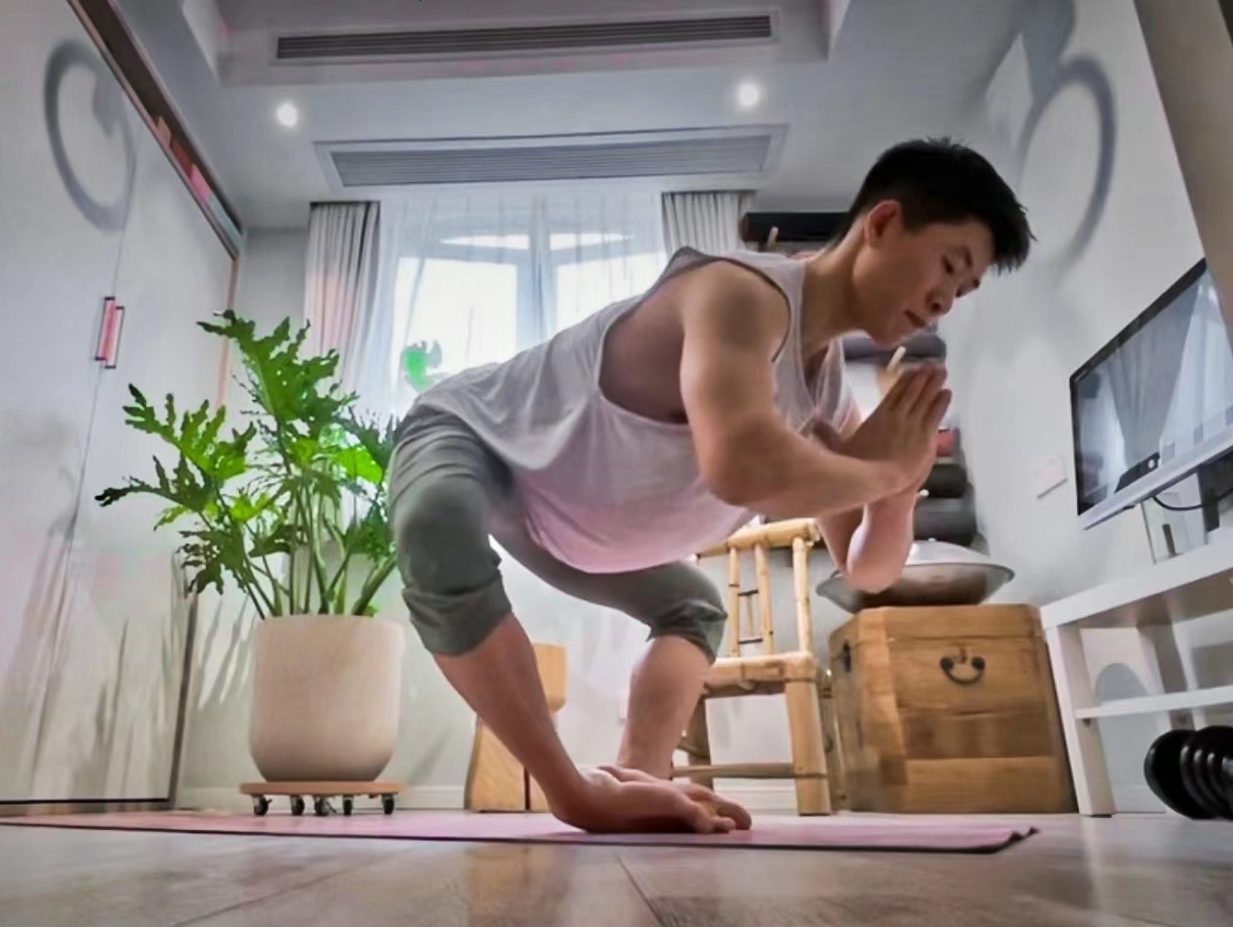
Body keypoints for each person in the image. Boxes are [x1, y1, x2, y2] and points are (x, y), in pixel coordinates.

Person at [388, 137, 1032, 834]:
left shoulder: (826, 397)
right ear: (882, 223)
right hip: (474, 434)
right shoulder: (739, 293)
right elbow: (741, 465)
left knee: (693, 605)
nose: (943, 302)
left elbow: (868, 570)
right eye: (948, 266)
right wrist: (881, 469)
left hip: (560, 519)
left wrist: (898, 492)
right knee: (434, 521)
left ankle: (640, 776)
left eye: (962, 291)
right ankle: (573, 791)